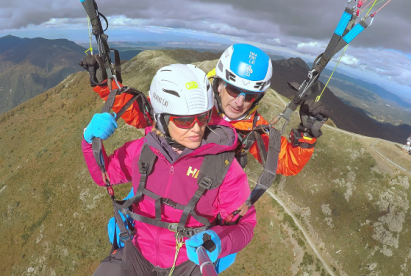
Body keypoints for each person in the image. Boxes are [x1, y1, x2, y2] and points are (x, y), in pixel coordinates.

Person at [82, 64, 256, 275]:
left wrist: (217, 241)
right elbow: (105, 176)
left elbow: (245, 225)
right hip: (137, 252)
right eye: (184, 120)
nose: (196, 128)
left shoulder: (224, 167)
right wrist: (90, 141)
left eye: (202, 117)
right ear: (162, 119)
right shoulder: (143, 151)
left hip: (188, 262)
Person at [84, 43, 329, 178]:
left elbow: (284, 163)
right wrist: (105, 87)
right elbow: (144, 113)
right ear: (220, 84)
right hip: (161, 176)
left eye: (250, 96)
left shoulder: (253, 127)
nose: (239, 102)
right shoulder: (192, 98)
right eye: (233, 90)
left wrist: (306, 135)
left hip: (202, 194)